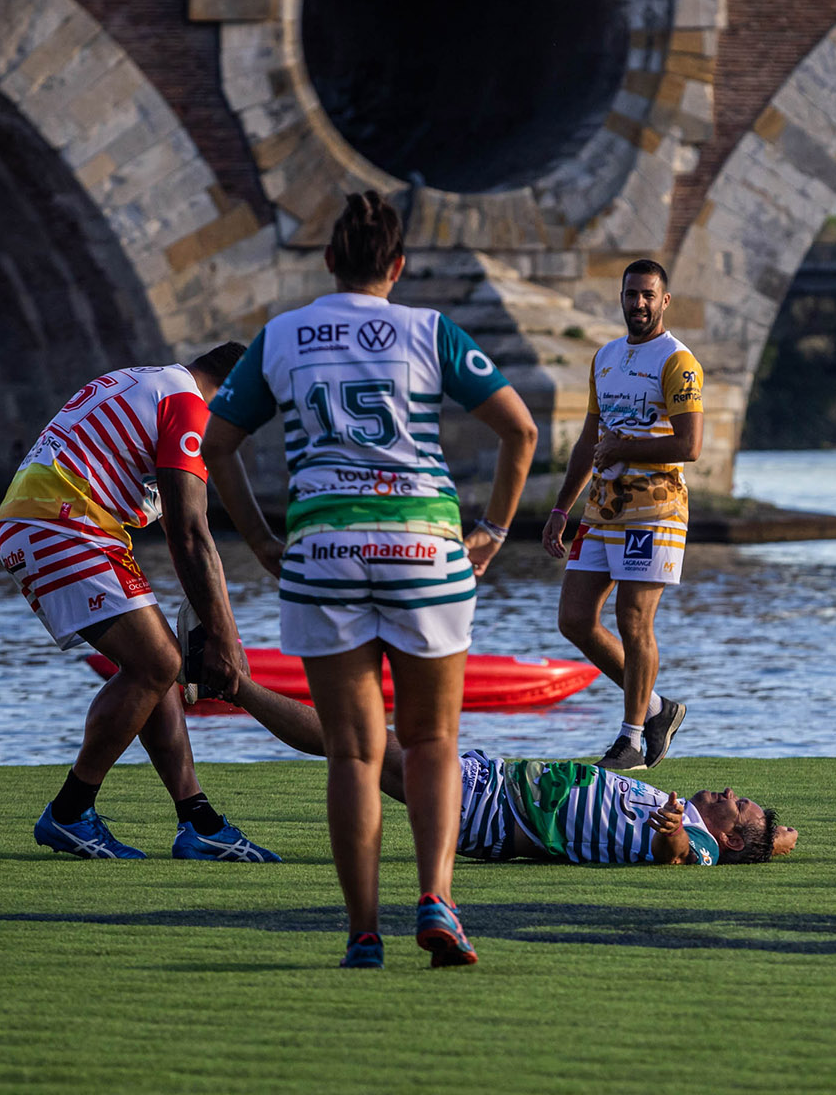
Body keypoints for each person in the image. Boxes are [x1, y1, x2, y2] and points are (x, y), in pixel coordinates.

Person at [201, 190, 538, 969]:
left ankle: (360, 934)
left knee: (354, 754)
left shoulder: (281, 336)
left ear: (328, 261)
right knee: (432, 743)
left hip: (323, 551)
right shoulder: (430, 331)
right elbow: (520, 430)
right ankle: (438, 902)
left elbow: (218, 446)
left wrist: (258, 539)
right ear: (398, 265)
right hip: (424, 549)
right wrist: (491, 530)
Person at [0, 344, 280, 863]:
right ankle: (69, 812)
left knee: (159, 664)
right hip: (61, 522)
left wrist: (222, 628)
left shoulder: (155, 382)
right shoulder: (191, 405)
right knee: (159, 663)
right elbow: (189, 534)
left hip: (61, 521)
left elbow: (183, 528)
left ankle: (199, 821)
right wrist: (222, 638)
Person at [217, 678, 797, 866]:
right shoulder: (716, 828)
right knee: (355, 748)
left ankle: (232, 683)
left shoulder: (702, 843)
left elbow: (676, 852)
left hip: (490, 806)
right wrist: (779, 837)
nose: (728, 791)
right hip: (489, 790)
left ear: (728, 836)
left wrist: (671, 826)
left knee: (355, 740)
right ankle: (233, 684)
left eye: (738, 804)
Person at [542, 259, 699, 772]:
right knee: (574, 619)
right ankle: (656, 708)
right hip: (602, 509)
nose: (638, 304)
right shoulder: (605, 358)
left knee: (633, 620)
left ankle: (632, 739)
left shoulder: (678, 361)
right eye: (631, 294)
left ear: (664, 300)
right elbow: (590, 440)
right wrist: (561, 507)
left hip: (655, 510)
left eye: (648, 295)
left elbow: (690, 444)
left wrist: (626, 445)